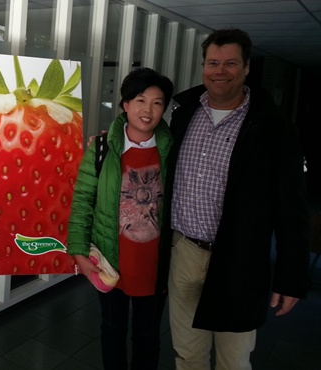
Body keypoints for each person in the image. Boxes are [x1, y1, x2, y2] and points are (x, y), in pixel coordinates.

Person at [165, 28, 310, 370]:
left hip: (240, 258)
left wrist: (291, 278)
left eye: (230, 63)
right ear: (204, 67)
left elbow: (292, 210)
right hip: (184, 251)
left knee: (233, 360)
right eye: (213, 62)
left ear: (246, 68)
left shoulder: (274, 128)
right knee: (188, 354)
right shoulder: (183, 115)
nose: (220, 71)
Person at [67, 67, 174, 370]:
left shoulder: (172, 150)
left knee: (147, 336)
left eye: (157, 103)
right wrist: (78, 251)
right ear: (125, 104)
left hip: (154, 265)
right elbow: (83, 201)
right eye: (140, 100)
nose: (148, 110)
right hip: (111, 262)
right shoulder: (102, 149)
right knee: (112, 330)